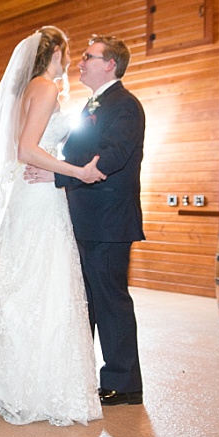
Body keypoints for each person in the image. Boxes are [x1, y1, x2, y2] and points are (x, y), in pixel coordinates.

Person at [0, 27, 104, 425]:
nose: (71, 61)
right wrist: (76, 172)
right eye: (68, 53)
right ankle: (26, 382)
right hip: (39, 195)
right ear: (56, 53)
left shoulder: (26, 89)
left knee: (21, 274)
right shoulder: (47, 87)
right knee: (40, 277)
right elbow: (27, 149)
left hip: (27, 190)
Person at [33, 34, 147, 407]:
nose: (80, 62)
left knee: (110, 298)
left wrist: (58, 176)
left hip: (110, 219)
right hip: (86, 216)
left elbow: (110, 158)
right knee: (88, 301)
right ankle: (86, 373)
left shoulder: (126, 106)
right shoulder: (93, 105)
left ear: (109, 64)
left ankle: (124, 383)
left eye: (88, 57)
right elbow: (80, 154)